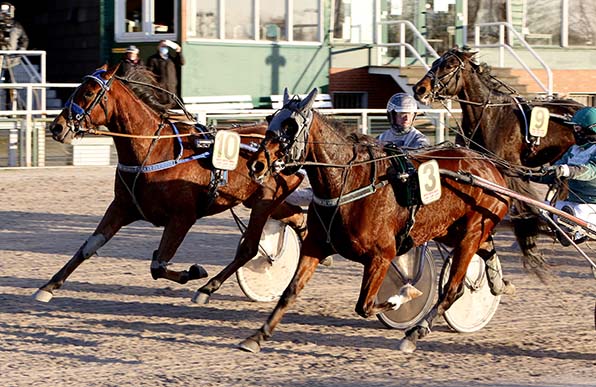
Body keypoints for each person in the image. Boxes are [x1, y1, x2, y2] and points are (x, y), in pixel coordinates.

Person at [528, 107, 596, 242]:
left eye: (577, 129)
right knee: (541, 208)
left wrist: (567, 170)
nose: (575, 132)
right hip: (572, 203)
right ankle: (568, 225)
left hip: (592, 205)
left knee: (577, 212)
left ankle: (574, 229)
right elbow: (555, 171)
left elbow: (591, 171)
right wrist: (529, 174)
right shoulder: (573, 150)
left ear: (591, 129)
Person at [0, 2, 28, 109]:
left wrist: (19, 52)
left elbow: (24, 40)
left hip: (12, 62)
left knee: (11, 86)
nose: (4, 14)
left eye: (6, 11)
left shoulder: (16, 26)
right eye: (2, 11)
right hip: (0, 59)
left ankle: (10, 108)